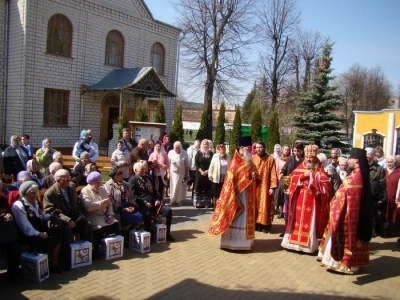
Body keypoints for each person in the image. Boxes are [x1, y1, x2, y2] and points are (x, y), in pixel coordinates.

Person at [318, 148, 374, 274]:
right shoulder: (359, 174)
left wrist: (333, 202)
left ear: (357, 161)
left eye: (351, 158)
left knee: (345, 238)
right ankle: (353, 264)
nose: (349, 160)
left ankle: (344, 264)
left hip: (348, 215)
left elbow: (343, 195)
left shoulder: (355, 177)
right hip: (356, 214)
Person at [209, 136, 257, 250]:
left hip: (248, 195)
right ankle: (232, 243)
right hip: (237, 196)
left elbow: (255, 173)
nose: (250, 150)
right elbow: (232, 182)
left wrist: (254, 176)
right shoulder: (235, 162)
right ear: (241, 148)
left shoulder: (249, 160)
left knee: (245, 218)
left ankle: (245, 242)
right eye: (248, 148)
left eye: (250, 148)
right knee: (237, 218)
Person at [281, 144, 331, 253]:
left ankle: (308, 246)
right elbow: (292, 178)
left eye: (311, 157)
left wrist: (315, 178)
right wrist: (304, 175)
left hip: (312, 200)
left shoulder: (319, 168)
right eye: (307, 157)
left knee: (310, 222)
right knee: (296, 221)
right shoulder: (301, 166)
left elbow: (326, 184)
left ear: (315, 157)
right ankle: (293, 244)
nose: (309, 159)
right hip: (299, 198)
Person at [43, 169, 93, 269]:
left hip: (73, 216)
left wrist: (79, 215)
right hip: (61, 220)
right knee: (66, 231)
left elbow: (76, 202)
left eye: (69, 177)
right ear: (58, 180)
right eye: (65, 178)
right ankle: (66, 259)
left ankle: (87, 252)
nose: (68, 180)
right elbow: (51, 211)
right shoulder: (50, 193)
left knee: (86, 224)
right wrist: (67, 220)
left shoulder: (71, 187)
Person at [12, 181, 62, 272]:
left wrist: (51, 216)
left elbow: (41, 216)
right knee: (44, 240)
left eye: (36, 192)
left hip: (38, 229)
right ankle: (41, 267)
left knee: (57, 234)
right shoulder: (19, 205)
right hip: (26, 234)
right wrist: (38, 234)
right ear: (25, 193)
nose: (35, 195)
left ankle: (53, 264)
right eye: (32, 193)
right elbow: (24, 225)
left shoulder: (36, 203)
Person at [129, 161, 175, 241]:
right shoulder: (133, 180)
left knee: (168, 210)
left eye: (144, 169)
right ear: (135, 170)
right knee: (147, 214)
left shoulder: (148, 178)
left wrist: (157, 199)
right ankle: (148, 235)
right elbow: (133, 196)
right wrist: (144, 202)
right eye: (141, 169)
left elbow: (155, 191)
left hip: (154, 204)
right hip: (142, 205)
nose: (144, 171)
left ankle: (167, 233)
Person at [80, 172, 119, 258]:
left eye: (100, 182)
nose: (99, 184)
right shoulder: (85, 191)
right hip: (92, 215)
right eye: (97, 182)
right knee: (99, 228)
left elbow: (109, 204)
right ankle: (96, 250)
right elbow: (88, 207)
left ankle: (110, 248)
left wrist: (110, 214)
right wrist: (101, 203)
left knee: (115, 224)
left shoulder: (102, 189)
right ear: (91, 182)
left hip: (104, 214)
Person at [104, 166, 143, 238]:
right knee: (129, 220)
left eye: (122, 173)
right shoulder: (108, 186)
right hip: (118, 210)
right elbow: (110, 201)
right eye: (119, 173)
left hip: (128, 207)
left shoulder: (126, 184)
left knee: (139, 216)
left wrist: (132, 206)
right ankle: (124, 234)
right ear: (113, 175)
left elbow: (132, 197)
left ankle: (131, 236)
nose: (121, 175)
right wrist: (123, 209)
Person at [278, 143, 305, 236]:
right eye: (295, 151)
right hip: (288, 187)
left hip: (300, 189)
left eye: (298, 151)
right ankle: (287, 229)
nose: (296, 153)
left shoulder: (305, 160)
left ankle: (296, 230)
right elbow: (284, 169)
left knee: (297, 210)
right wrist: (281, 173)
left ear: (302, 150)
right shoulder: (290, 159)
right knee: (287, 209)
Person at [252, 141, 278, 233]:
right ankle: (255, 225)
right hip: (255, 187)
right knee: (255, 205)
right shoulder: (253, 158)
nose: (258, 149)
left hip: (265, 186)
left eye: (260, 147)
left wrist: (272, 187)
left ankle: (265, 226)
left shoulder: (270, 159)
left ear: (264, 148)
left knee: (265, 205)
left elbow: (273, 174)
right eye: (257, 147)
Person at [0, 190, 21, 284]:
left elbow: (10, 213)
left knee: (14, 246)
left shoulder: (3, 201)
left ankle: (13, 274)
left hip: (5, 233)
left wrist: (10, 216)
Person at [365, 147, 387, 237]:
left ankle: (371, 231)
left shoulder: (379, 169)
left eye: (370, 155)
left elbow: (382, 183)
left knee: (372, 215)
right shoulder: (360, 167)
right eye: (366, 155)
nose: (368, 157)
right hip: (361, 195)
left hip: (373, 196)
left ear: (374, 156)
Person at [208, 144, 231, 209]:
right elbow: (211, 167)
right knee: (216, 192)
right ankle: (215, 205)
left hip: (225, 177)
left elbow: (230, 167)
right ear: (219, 150)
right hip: (216, 177)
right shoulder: (215, 157)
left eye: (223, 149)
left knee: (223, 192)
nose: (222, 151)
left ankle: (222, 206)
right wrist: (210, 175)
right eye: (221, 149)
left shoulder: (228, 157)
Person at [168, 141, 189, 207]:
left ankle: (178, 201)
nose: (177, 149)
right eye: (175, 148)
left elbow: (187, 165)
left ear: (181, 147)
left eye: (178, 148)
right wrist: (168, 173)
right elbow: (168, 164)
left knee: (179, 186)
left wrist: (186, 174)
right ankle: (172, 200)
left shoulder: (184, 153)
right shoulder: (170, 153)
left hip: (181, 172)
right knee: (173, 186)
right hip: (173, 172)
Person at [193, 139, 213, 208]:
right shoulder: (199, 152)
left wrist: (207, 171)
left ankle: (207, 203)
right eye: (204, 144)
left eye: (207, 144)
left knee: (207, 187)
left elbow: (212, 164)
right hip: (199, 173)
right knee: (199, 187)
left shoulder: (211, 153)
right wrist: (201, 171)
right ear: (202, 144)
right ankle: (199, 203)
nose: (205, 145)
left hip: (208, 172)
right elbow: (196, 163)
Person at [384, 156, 400, 237]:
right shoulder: (384, 171)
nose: (390, 164)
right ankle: (385, 231)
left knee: (394, 214)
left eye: (391, 162)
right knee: (385, 214)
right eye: (388, 162)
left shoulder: (398, 171)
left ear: (395, 163)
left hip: (394, 197)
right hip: (384, 197)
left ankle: (393, 230)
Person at [275, 145, 291, 219]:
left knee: (288, 196)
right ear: (283, 150)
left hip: (289, 179)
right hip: (281, 179)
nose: (286, 151)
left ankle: (287, 211)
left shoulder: (291, 159)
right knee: (281, 195)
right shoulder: (278, 159)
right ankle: (281, 211)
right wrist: (278, 178)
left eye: (288, 149)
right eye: (285, 149)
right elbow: (277, 170)